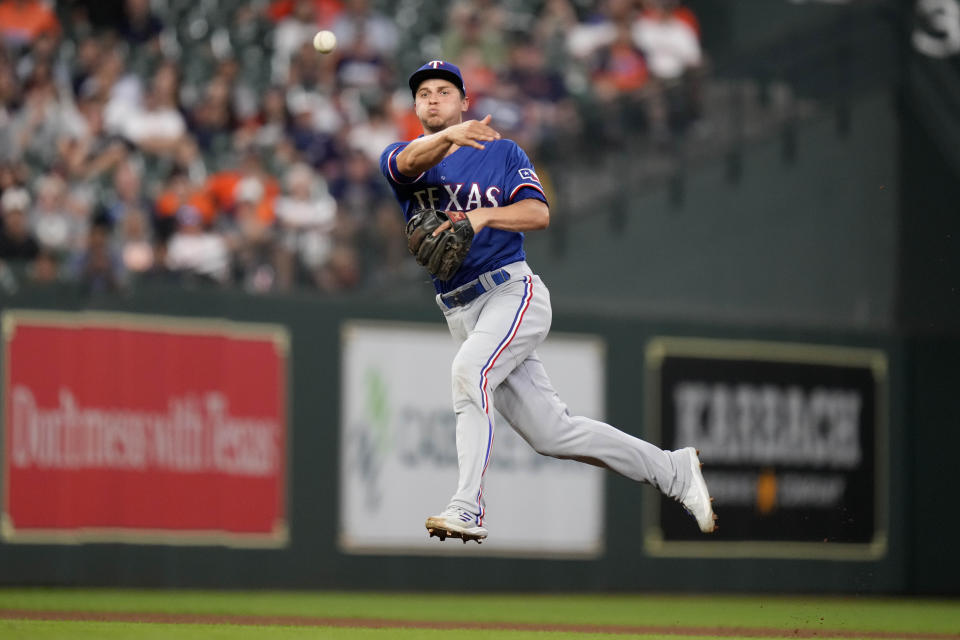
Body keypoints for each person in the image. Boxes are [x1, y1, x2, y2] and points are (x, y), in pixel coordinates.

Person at [379, 60, 717, 543]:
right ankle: (673, 470)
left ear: (464, 102)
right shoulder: (402, 159)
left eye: (444, 91)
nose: (433, 98)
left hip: (511, 292)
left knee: (468, 373)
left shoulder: (502, 152)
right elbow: (409, 162)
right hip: (459, 310)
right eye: (424, 93)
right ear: (416, 106)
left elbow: (538, 213)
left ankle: (467, 506)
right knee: (553, 434)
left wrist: (482, 218)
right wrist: (450, 140)